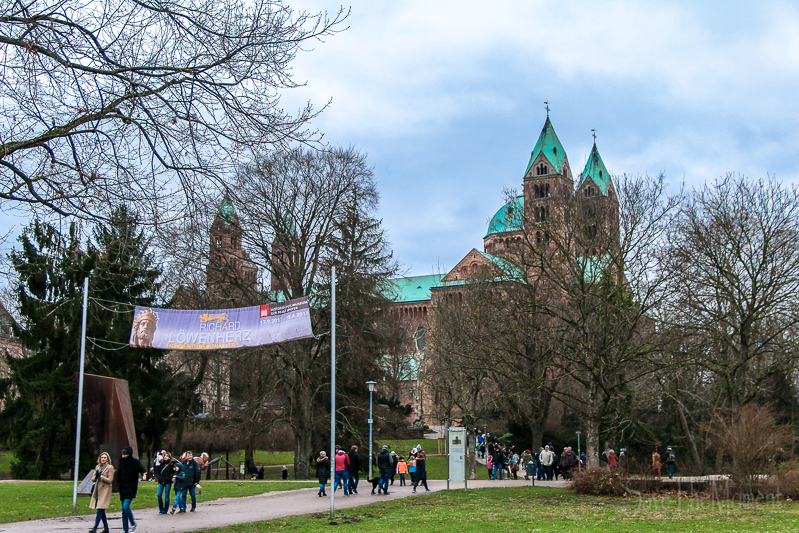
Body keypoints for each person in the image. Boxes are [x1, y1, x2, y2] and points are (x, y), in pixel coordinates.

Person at [117, 446, 146, 533]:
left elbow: (141, 469)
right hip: (123, 487)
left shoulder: (134, 462)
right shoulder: (121, 462)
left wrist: (144, 474)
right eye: (122, 454)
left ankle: (133, 524)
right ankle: (125, 529)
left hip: (131, 487)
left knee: (126, 506)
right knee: (123, 509)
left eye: (125, 455)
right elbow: (119, 473)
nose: (123, 456)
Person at [89, 452, 114, 533]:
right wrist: (96, 476)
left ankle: (95, 527)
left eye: (105, 457)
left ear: (107, 459)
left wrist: (102, 477)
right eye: (102, 457)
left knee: (99, 509)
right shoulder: (97, 467)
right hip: (97, 490)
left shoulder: (110, 467)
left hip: (105, 491)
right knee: (101, 510)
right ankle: (106, 528)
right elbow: (92, 479)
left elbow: (110, 480)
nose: (103, 459)